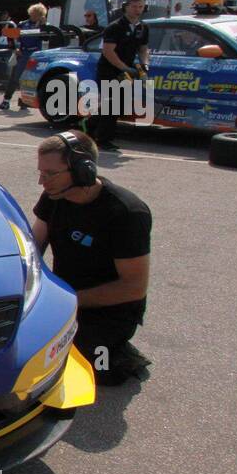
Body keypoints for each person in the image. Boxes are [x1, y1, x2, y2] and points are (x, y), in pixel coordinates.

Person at [32, 130, 151, 386]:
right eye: (40, 173)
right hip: (67, 298)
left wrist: (68, 301)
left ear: (83, 169)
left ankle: (122, 353)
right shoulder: (55, 197)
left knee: (86, 367)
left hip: (109, 309)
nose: (42, 181)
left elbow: (133, 288)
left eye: (50, 173)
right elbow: (33, 247)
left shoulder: (126, 212)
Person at [91, 0, 150, 152]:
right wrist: (123, 67)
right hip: (109, 70)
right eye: (134, 6)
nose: (138, 10)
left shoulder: (143, 27)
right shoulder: (115, 27)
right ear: (126, 7)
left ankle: (89, 126)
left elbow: (143, 49)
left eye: (141, 7)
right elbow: (108, 51)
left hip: (126, 71)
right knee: (111, 104)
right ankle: (103, 140)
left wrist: (144, 64)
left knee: (120, 105)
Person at [0, 2, 48, 111]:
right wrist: (15, 48)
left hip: (35, 55)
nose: (34, 16)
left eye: (37, 14)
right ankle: (6, 101)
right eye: (33, 13)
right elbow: (10, 36)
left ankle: (26, 101)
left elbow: (46, 38)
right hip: (22, 53)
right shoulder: (23, 24)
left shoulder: (43, 26)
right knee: (14, 77)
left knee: (30, 79)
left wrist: (43, 25)